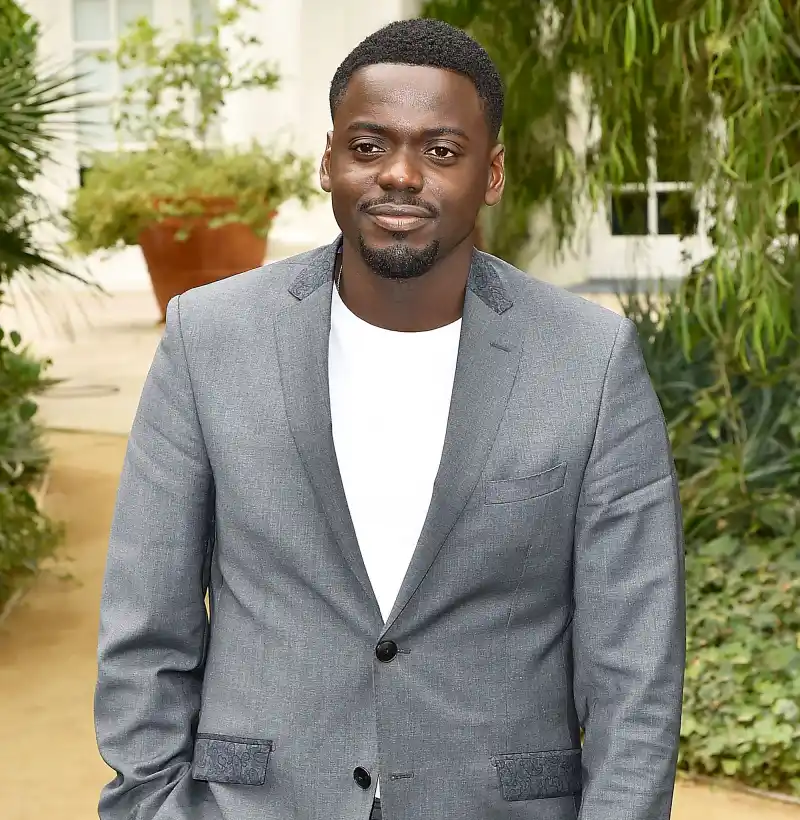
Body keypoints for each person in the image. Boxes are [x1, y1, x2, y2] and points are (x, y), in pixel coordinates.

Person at [94, 17, 686, 820]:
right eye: (369, 147)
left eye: (441, 151)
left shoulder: (590, 358)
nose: (400, 176)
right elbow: (146, 624)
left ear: (493, 173)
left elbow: (636, 669)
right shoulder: (210, 338)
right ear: (328, 160)